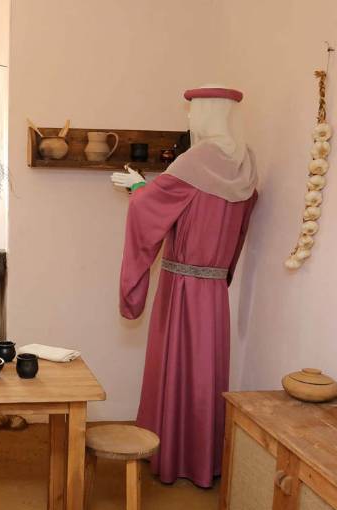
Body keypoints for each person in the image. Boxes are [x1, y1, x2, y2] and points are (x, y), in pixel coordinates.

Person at [112, 86, 258, 487]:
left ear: (207, 113)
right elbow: (239, 225)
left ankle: (172, 454)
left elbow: (150, 207)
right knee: (205, 373)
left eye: (193, 111)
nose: (190, 118)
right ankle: (204, 459)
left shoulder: (196, 160)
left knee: (174, 368)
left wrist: (137, 188)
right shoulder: (245, 163)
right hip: (213, 291)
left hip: (180, 287)